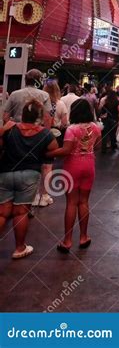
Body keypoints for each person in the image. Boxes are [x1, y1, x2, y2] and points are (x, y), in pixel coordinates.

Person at [0, 100, 58, 259]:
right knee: (21, 212)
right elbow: (53, 149)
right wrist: (40, 154)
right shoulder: (45, 133)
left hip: (5, 173)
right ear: (39, 116)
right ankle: (19, 248)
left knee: (3, 213)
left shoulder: (10, 129)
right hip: (29, 175)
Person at [47, 99, 101, 253]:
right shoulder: (96, 128)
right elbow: (97, 146)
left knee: (71, 203)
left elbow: (66, 150)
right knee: (84, 202)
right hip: (89, 165)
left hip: (73, 166)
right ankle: (84, 237)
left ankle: (67, 241)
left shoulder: (72, 129)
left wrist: (48, 153)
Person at [33, 80, 68, 208]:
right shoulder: (61, 104)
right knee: (48, 166)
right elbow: (65, 123)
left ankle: (34, 195)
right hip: (54, 135)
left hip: (37, 133)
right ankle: (45, 195)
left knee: (36, 165)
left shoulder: (39, 104)